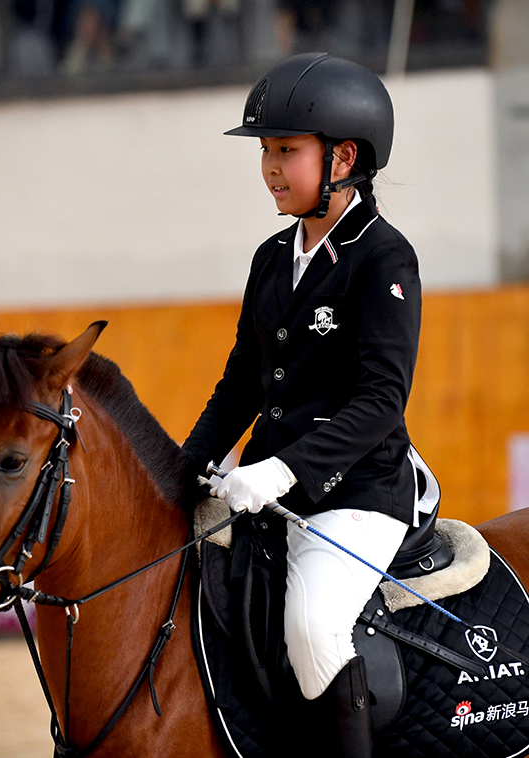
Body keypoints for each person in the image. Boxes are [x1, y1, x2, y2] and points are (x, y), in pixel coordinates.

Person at [182, 52, 439, 757]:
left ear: (343, 158)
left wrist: (281, 469)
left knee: (312, 627)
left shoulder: (384, 258)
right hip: (268, 491)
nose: (270, 168)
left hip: (356, 494)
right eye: (265, 151)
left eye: (286, 151)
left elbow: (382, 400)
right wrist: (185, 464)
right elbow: (241, 383)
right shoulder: (271, 257)